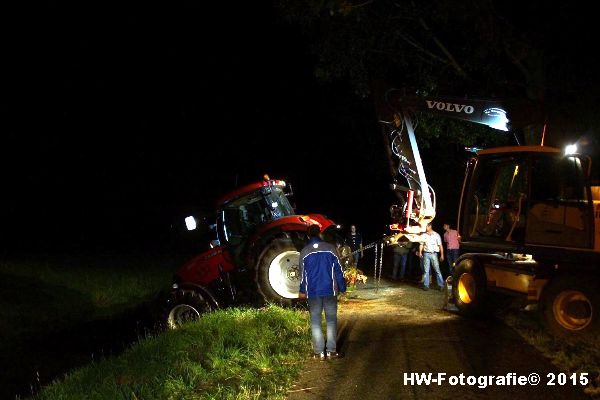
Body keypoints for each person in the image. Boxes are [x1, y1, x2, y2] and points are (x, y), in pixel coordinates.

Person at [298, 225, 346, 360]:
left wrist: (302, 291)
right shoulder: (330, 249)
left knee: (315, 321)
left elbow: (303, 275)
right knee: (331, 320)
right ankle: (331, 351)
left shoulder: (304, 252)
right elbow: (338, 270)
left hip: (313, 292)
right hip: (330, 290)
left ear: (308, 236)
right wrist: (342, 287)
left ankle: (318, 352)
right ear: (320, 234)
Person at [418, 223, 445, 291]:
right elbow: (421, 244)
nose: (425, 227)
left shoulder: (436, 235)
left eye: (426, 226)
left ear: (430, 226)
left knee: (437, 270)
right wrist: (420, 252)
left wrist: (442, 255)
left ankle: (441, 285)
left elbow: (440, 245)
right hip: (426, 254)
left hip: (434, 254)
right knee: (426, 270)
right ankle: (426, 285)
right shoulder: (424, 235)